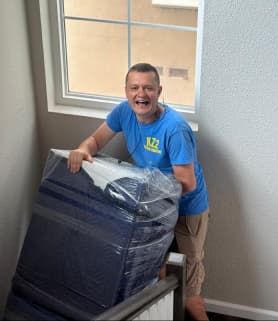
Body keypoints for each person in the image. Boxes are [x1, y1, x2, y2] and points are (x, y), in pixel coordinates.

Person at [67, 63, 210, 321]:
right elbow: (96, 140)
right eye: (134, 88)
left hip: (187, 210)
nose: (140, 94)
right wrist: (82, 149)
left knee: (190, 292)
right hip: (153, 205)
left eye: (148, 88)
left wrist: (145, 196)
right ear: (126, 91)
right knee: (158, 277)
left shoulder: (174, 128)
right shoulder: (124, 112)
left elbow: (187, 183)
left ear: (159, 91)